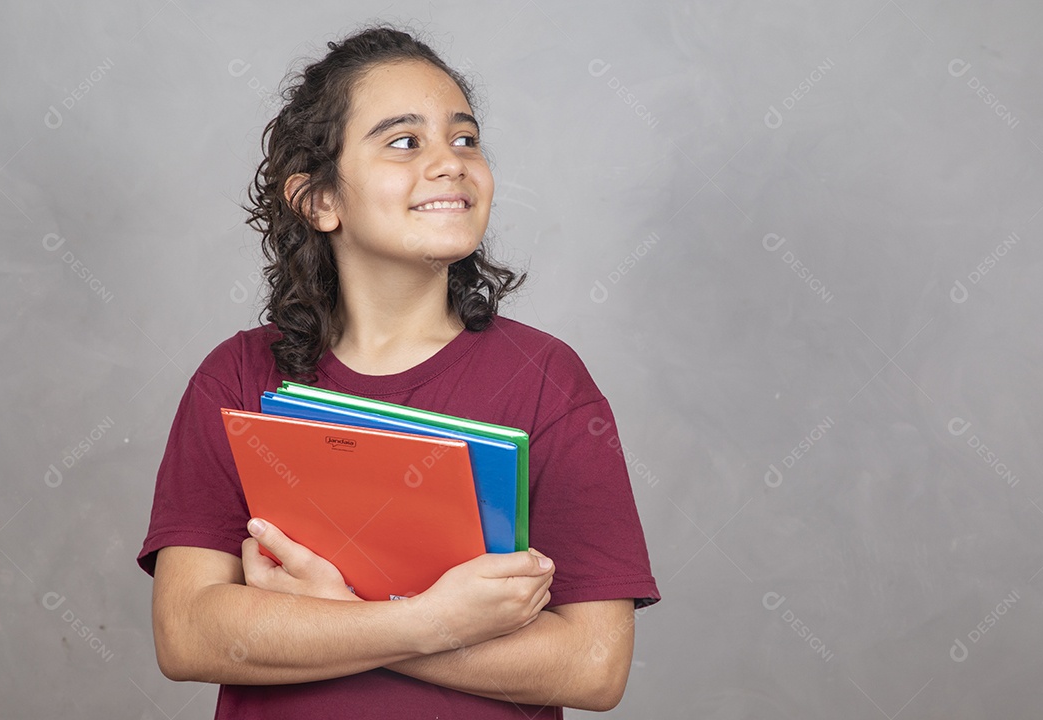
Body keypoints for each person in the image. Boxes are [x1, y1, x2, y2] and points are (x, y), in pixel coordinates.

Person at [137, 24, 659, 719]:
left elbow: (593, 666)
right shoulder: (235, 377)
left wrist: (335, 614)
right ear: (318, 200)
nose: (451, 163)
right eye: (405, 142)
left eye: (465, 139)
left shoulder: (547, 381)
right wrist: (426, 621)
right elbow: (187, 634)